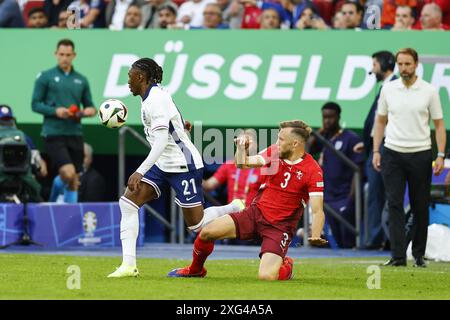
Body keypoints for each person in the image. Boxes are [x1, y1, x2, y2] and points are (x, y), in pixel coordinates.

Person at [107, 58, 244, 278]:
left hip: (183, 165)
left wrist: (140, 170)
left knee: (197, 225)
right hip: (163, 164)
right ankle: (128, 265)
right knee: (128, 203)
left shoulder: (155, 100)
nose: (128, 81)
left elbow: (161, 142)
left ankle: (233, 208)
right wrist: (181, 125)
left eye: (130, 76)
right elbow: (172, 120)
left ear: (141, 77)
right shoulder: (152, 95)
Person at [168, 120, 328, 280]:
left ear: (295, 143)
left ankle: (286, 265)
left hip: (279, 227)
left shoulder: (313, 170)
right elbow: (243, 164)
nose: (276, 142)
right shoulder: (274, 152)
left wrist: (315, 234)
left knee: (266, 277)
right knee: (207, 232)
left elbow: (317, 209)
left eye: (281, 139)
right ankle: (195, 270)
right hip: (254, 213)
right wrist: (241, 149)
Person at [373, 48, 446, 267]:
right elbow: (380, 121)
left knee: (420, 205)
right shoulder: (388, 89)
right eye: (400, 64)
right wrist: (376, 150)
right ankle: (397, 256)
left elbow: (439, 124)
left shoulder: (429, 91)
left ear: (416, 64)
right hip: (392, 152)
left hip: (421, 153)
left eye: (407, 64)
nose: (403, 68)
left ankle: (419, 255)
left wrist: (440, 154)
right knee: (394, 203)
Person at [31, 39, 97, 204]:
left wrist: (88, 111)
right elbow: (35, 104)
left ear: (74, 55)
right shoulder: (45, 77)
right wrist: (55, 111)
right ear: (56, 54)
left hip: (75, 132)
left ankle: (67, 220)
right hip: (53, 132)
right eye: (61, 54)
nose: (65, 58)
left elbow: (90, 106)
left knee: (74, 178)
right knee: (68, 173)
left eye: (68, 55)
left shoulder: (81, 80)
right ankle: (53, 204)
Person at [308, 102, 364, 249]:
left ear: (338, 117)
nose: (327, 121)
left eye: (330, 117)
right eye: (324, 117)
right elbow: (307, 150)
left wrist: (351, 199)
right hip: (327, 198)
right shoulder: (324, 139)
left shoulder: (350, 138)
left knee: (346, 242)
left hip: (344, 197)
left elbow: (358, 170)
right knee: (331, 242)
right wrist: (320, 132)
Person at [363, 51, 396, 250]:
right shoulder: (386, 86)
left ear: (385, 64)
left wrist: (377, 146)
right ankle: (381, 238)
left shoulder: (393, 86)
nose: (372, 69)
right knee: (378, 194)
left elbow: (385, 120)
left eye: (375, 64)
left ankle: (381, 238)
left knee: (380, 194)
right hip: (377, 145)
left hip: (385, 146)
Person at [203, 129, 264, 207]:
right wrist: (193, 176)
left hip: (253, 215)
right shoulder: (229, 165)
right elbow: (208, 186)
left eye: (248, 141)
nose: (245, 144)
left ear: (256, 145)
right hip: (232, 214)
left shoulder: (262, 166)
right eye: (242, 141)